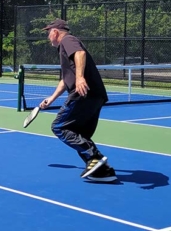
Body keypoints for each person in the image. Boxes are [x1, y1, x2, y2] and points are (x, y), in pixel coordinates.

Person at [38, 19, 116, 182]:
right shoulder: (64, 48)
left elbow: (80, 53)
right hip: (95, 95)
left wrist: (80, 78)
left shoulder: (68, 40)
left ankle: (94, 157)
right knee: (78, 133)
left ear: (55, 32)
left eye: (48, 32)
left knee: (59, 127)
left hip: (83, 93)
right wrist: (51, 99)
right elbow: (66, 79)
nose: (48, 37)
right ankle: (102, 170)